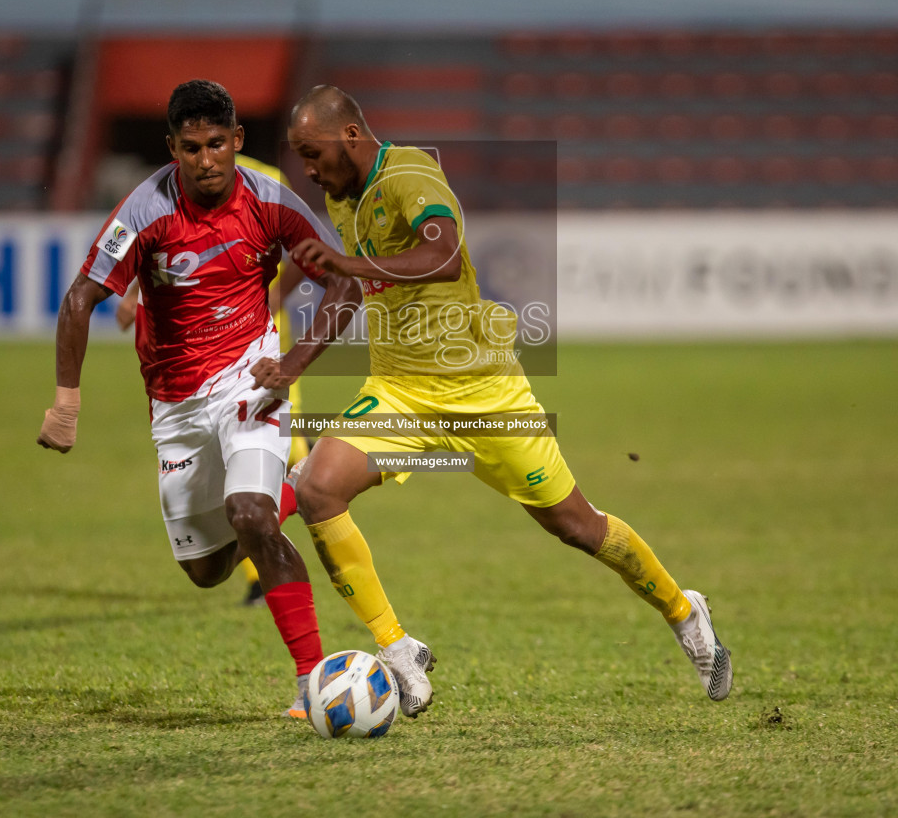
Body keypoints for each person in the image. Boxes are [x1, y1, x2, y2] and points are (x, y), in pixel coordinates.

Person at [259, 85, 732, 718]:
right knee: (319, 487)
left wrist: (346, 260)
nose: (307, 170)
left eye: (311, 153)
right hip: (400, 392)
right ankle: (398, 653)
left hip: (485, 391)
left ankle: (683, 610)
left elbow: (445, 255)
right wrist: (294, 365)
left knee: (577, 526)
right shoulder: (340, 194)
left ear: (348, 137)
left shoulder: (409, 172)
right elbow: (348, 284)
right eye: (299, 157)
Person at [37, 79, 360, 717]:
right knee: (207, 570)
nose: (207, 159)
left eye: (218, 144)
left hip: (249, 378)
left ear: (237, 140)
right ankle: (291, 488)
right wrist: (65, 403)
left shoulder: (271, 200)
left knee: (249, 515)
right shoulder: (145, 210)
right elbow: (81, 298)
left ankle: (313, 680)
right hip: (175, 405)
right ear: (173, 148)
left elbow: (342, 284)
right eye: (192, 147)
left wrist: (292, 364)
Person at [114, 152, 314, 607]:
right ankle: (258, 565)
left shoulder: (265, 179)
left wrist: (273, 297)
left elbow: (308, 249)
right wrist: (134, 292)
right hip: (196, 363)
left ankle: (262, 574)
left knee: (280, 455)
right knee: (239, 479)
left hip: (254, 347)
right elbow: (159, 244)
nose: (203, 157)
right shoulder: (169, 183)